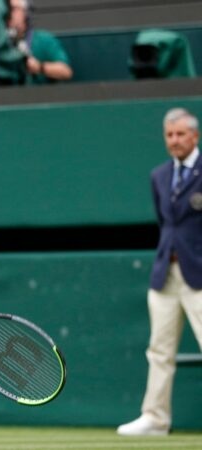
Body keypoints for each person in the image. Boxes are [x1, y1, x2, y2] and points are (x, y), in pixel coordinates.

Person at [117, 107, 202, 436]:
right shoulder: (160, 176)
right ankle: (155, 417)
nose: (175, 140)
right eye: (169, 135)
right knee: (159, 350)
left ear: (195, 136)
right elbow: (166, 223)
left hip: (199, 276)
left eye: (181, 134)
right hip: (166, 273)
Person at [6, 0, 73, 84]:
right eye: (6, 9)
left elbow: (66, 72)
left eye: (13, 9)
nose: (7, 13)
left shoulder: (43, 40)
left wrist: (39, 67)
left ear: (26, 12)